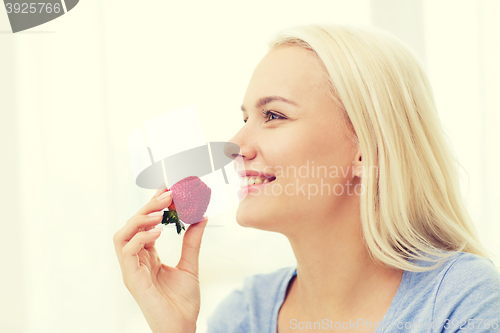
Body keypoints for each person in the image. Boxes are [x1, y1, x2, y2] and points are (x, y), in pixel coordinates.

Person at [113, 24, 500, 333]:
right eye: (246, 117)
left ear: (366, 149)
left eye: (274, 116)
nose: (234, 143)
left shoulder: (463, 302)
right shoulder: (246, 314)